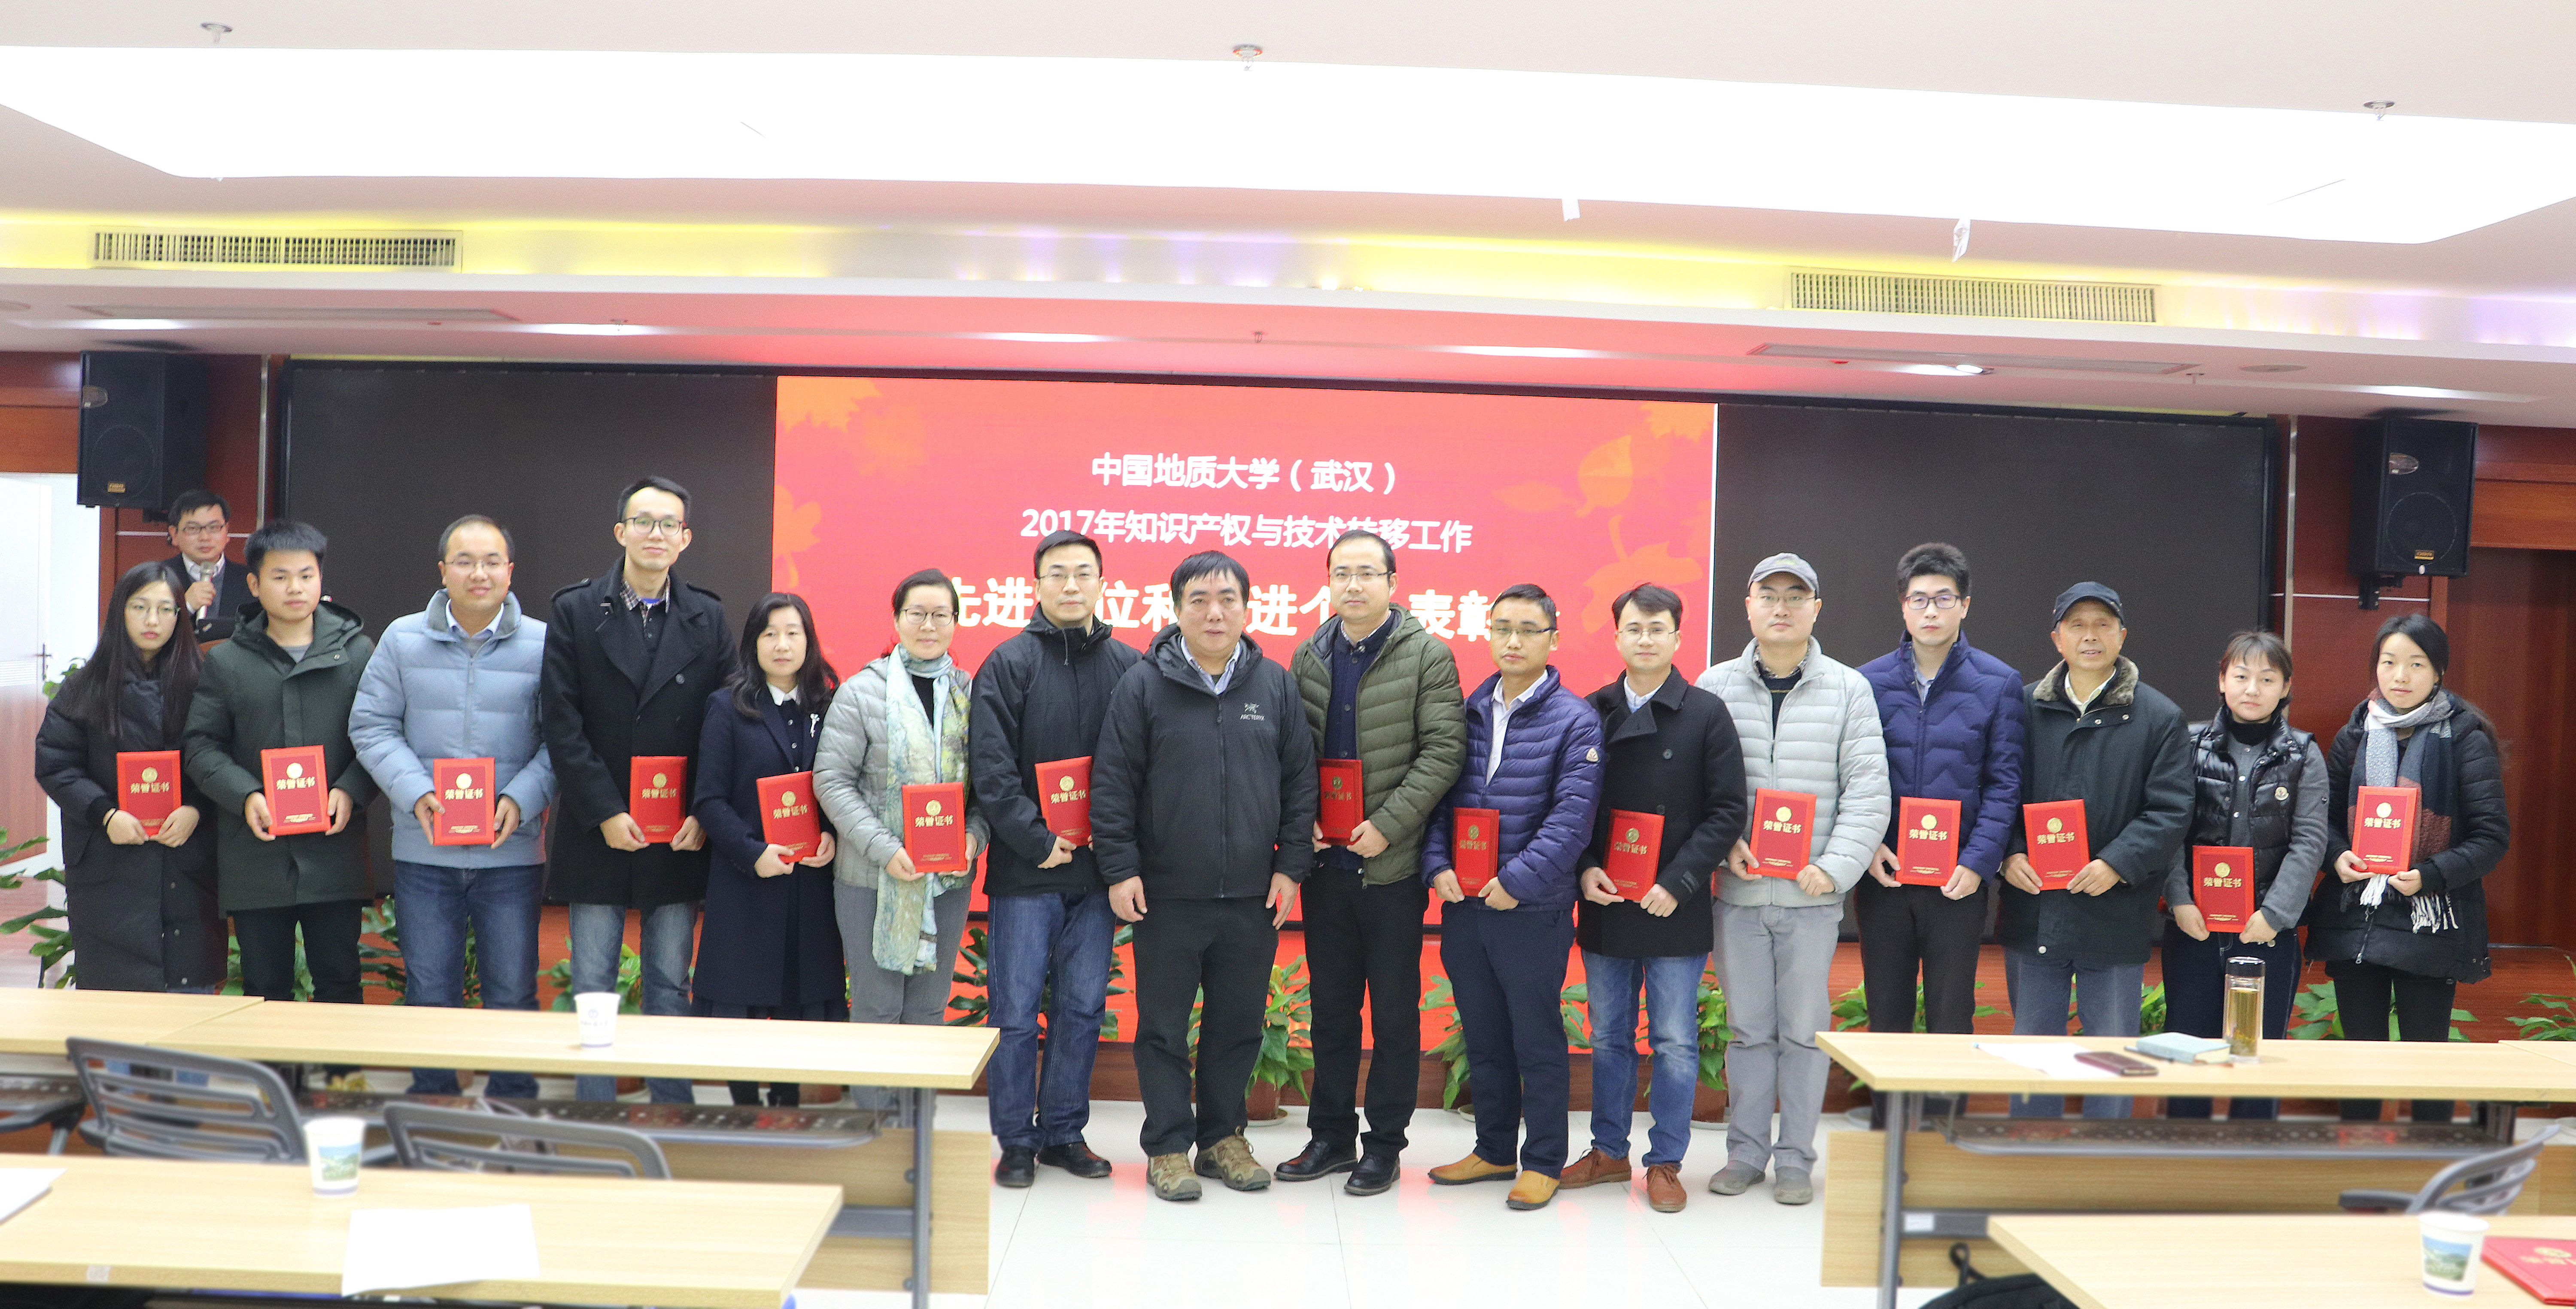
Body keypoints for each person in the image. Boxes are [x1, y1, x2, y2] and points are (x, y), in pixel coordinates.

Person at [1091, 551, 1316, 1203]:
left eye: (1227, 600)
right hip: (1166, 893)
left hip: (1252, 894)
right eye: (1199, 600)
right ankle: (1167, 1146)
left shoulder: (1274, 685)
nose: (1214, 613)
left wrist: (1290, 867)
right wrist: (1122, 870)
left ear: (1247, 608)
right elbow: (1113, 784)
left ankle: (1223, 1138)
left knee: (1237, 1023)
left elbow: (1300, 783)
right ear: (1176, 608)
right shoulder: (1143, 685)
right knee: (1162, 1026)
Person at [1696, 553, 1887, 1205]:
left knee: (1804, 1034)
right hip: (1740, 892)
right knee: (1749, 1031)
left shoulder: (1849, 689)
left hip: (1812, 898)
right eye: (1769, 595)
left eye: (1796, 596)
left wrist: (1832, 868)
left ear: (1816, 608)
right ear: (1748, 606)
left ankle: (1797, 1161)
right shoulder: (1715, 686)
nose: (1782, 607)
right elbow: (1698, 787)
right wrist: (1723, 847)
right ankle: (1745, 1154)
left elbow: (1869, 792)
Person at [1283, 529, 1467, 1196]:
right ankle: (1330, 1137)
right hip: (1326, 870)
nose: (1353, 584)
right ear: (1328, 581)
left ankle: (1384, 1145)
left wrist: (1387, 827)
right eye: (1342, 573)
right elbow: (1293, 754)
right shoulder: (1308, 655)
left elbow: (1444, 751)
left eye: (1367, 573)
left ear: (1392, 582)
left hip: (1391, 871)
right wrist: (1303, 818)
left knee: (1393, 1015)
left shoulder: (1427, 655)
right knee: (1331, 1012)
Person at [349, 514, 556, 1099]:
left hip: (510, 853)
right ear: (443, 571)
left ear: (510, 571)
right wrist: (415, 791)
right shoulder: (401, 639)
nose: (479, 573)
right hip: (425, 853)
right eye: (464, 561)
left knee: (512, 992)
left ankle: (514, 1105)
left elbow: (563, 741)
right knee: (430, 990)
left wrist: (522, 798)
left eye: (491, 561)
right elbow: (371, 725)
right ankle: (433, 1105)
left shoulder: (545, 644)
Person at [541, 476, 731, 1103]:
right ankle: (595, 1110)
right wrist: (604, 810)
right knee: (594, 985)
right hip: (599, 826)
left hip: (678, 830)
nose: (656, 534)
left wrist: (703, 810)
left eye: (669, 524)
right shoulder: (575, 610)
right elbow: (561, 721)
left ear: (685, 539)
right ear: (621, 532)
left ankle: (672, 1109)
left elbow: (724, 724)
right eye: (644, 522)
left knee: (670, 983)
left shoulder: (709, 616)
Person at [1559, 582, 1744, 1214]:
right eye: (1634, 628)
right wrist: (1585, 868)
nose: (1645, 639)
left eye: (1657, 628)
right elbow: (1571, 807)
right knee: (1609, 1036)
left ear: (1677, 637)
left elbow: (1727, 811)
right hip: (1608, 901)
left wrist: (1679, 881)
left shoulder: (1707, 713)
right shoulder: (1592, 710)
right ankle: (1608, 1151)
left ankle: (1665, 1161)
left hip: (1674, 905)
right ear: (1616, 636)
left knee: (1674, 1041)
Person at [1420, 583, 1603, 1214]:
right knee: (1484, 1034)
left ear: (1554, 639)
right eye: (1503, 628)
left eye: (1529, 629)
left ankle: (1544, 1160)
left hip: (1533, 911)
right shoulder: (1468, 709)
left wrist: (1516, 883)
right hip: (1465, 905)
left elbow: (1572, 821)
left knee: (1536, 1039)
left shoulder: (1576, 720)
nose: (1514, 641)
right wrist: (1437, 865)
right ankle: (1494, 1149)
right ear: (1489, 634)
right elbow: (1440, 798)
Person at [969, 531, 1141, 1186]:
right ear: (1036, 584)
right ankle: (1016, 1139)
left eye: (1084, 573)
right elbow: (990, 770)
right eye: (1058, 574)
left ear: (1103, 583)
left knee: (1083, 1007)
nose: (1072, 585)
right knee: (1014, 1012)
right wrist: (1038, 840)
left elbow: (1140, 770)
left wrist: (1116, 847)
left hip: (1097, 875)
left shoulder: (1130, 667)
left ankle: (1065, 1131)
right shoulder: (1008, 664)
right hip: (1025, 873)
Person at [1996, 582, 2191, 1118]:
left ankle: (2104, 1158)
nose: (2090, 636)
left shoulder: (2159, 717)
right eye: (2077, 625)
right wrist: (2010, 853)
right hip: (2035, 909)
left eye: (2103, 625)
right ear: (2056, 637)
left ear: (2122, 636)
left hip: (2114, 912)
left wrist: (2116, 863)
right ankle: (2031, 1153)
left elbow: (2171, 810)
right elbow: (1997, 791)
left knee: (2112, 1057)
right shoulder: (2021, 707)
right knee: (2033, 1057)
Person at [2309, 614, 2508, 1126]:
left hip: (2429, 919)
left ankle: (2430, 1161)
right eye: (2389, 662)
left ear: (2438, 672)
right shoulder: (2354, 734)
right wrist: (2337, 856)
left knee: (2427, 1062)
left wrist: (2430, 875)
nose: (2400, 676)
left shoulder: (2464, 739)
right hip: (2358, 915)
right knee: (2361, 1062)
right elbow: (2320, 822)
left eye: (2416, 664)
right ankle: (2360, 1156)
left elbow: (2491, 838)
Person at [814, 568, 990, 1113]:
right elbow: (832, 781)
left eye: (941, 615)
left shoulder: (971, 695)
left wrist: (972, 839)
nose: (928, 625)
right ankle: (875, 1126)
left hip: (947, 882)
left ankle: (918, 1128)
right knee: (878, 1008)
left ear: (956, 622)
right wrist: (887, 850)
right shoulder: (861, 692)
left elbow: (989, 786)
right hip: (870, 879)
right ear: (897, 619)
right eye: (917, 613)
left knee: (927, 1011)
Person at [182, 520, 377, 1007]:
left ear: (320, 579)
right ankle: (272, 1066)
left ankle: (338, 1063)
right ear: (254, 584)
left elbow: (380, 737)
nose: (295, 588)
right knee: (264, 990)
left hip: (334, 850)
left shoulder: (357, 653)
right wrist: (245, 794)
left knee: (340, 982)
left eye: (306, 576)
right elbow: (201, 745)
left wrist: (351, 789)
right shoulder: (226, 661)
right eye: (280, 576)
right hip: (256, 853)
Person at [1855, 545, 2024, 1066]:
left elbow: (2005, 784)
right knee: (1887, 1016)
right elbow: (1853, 779)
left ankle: (1943, 1116)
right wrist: (1868, 847)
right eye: (1920, 599)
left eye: (1944, 599)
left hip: (1958, 883)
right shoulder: (1867, 683)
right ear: (1903, 606)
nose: (1931, 611)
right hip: (1885, 877)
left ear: (1965, 605)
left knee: (1951, 1017)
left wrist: (1977, 863)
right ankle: (1891, 1118)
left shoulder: (1998, 683)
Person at [32, 561, 224, 991]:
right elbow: (56, 763)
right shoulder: (85, 686)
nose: (152, 620)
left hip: (186, 852)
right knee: (117, 1003)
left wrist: (197, 807)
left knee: (188, 989)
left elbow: (223, 757)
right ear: (120, 611)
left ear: (180, 616)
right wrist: (104, 814)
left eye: (165, 609)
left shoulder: (205, 683)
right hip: (110, 853)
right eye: (140, 607)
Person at [2162, 630, 2325, 1121]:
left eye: (2267, 679)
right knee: (2188, 1055)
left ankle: (2250, 1154)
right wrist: (2179, 899)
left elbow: (2309, 842)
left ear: (2286, 687)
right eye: (2241, 676)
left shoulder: (2303, 754)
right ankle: (2185, 1149)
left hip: (2267, 931)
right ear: (2222, 681)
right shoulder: (2187, 745)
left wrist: (2275, 914)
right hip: (2194, 926)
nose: (2252, 689)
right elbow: (2168, 829)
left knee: (2256, 1059)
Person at [693, 593, 844, 1107]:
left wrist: (831, 833)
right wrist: (752, 852)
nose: (782, 644)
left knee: (802, 997)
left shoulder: (830, 704)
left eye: (793, 633)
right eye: (770, 634)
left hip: (810, 883)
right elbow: (709, 800)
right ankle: (744, 1107)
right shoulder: (727, 706)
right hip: (747, 881)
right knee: (742, 997)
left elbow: (843, 784)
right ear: (753, 643)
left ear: (809, 641)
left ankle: (788, 1102)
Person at [163, 490, 254, 644]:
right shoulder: (157, 578)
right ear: (174, 534)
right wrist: (186, 607)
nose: (205, 537)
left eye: (214, 527)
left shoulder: (251, 581)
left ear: (227, 531)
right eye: (193, 529)